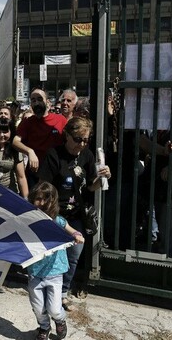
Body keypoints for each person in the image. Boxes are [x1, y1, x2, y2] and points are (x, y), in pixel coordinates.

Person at [38, 116, 111, 309]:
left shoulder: (86, 155)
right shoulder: (54, 154)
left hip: (78, 214)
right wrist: (49, 214)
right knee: (53, 257)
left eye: (86, 140)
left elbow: (91, 187)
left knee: (73, 256)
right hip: (56, 215)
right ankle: (47, 292)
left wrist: (102, 178)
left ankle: (63, 292)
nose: (82, 143)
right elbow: (44, 187)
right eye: (78, 139)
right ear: (67, 135)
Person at [27, 182, 84, 340]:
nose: (43, 203)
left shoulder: (58, 221)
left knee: (54, 308)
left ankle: (60, 320)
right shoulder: (29, 222)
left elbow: (72, 231)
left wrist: (77, 236)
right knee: (38, 307)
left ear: (54, 201)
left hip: (55, 272)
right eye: (38, 199)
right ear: (32, 200)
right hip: (35, 272)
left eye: (47, 199)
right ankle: (44, 327)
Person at [13, 88, 67, 187]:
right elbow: (16, 141)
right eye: (33, 100)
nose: (36, 103)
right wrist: (30, 152)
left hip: (57, 172)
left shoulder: (60, 120)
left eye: (39, 99)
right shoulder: (27, 122)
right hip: (35, 173)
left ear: (47, 102)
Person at [0, 117, 29, 198]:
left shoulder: (15, 150)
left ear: (11, 132)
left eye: (5, 132)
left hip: (8, 194)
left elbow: (21, 177)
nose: (1, 135)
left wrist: (26, 199)